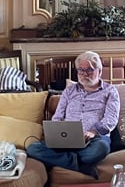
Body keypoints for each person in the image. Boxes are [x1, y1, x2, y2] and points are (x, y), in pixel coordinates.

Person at [26, 50, 120, 178]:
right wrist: (56, 133)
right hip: (67, 138)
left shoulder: (110, 91)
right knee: (33, 148)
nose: (84, 74)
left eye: (90, 70)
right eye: (81, 70)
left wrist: (93, 131)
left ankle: (65, 161)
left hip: (94, 139)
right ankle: (80, 165)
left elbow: (111, 118)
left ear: (100, 71)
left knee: (101, 149)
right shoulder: (69, 91)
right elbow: (58, 116)